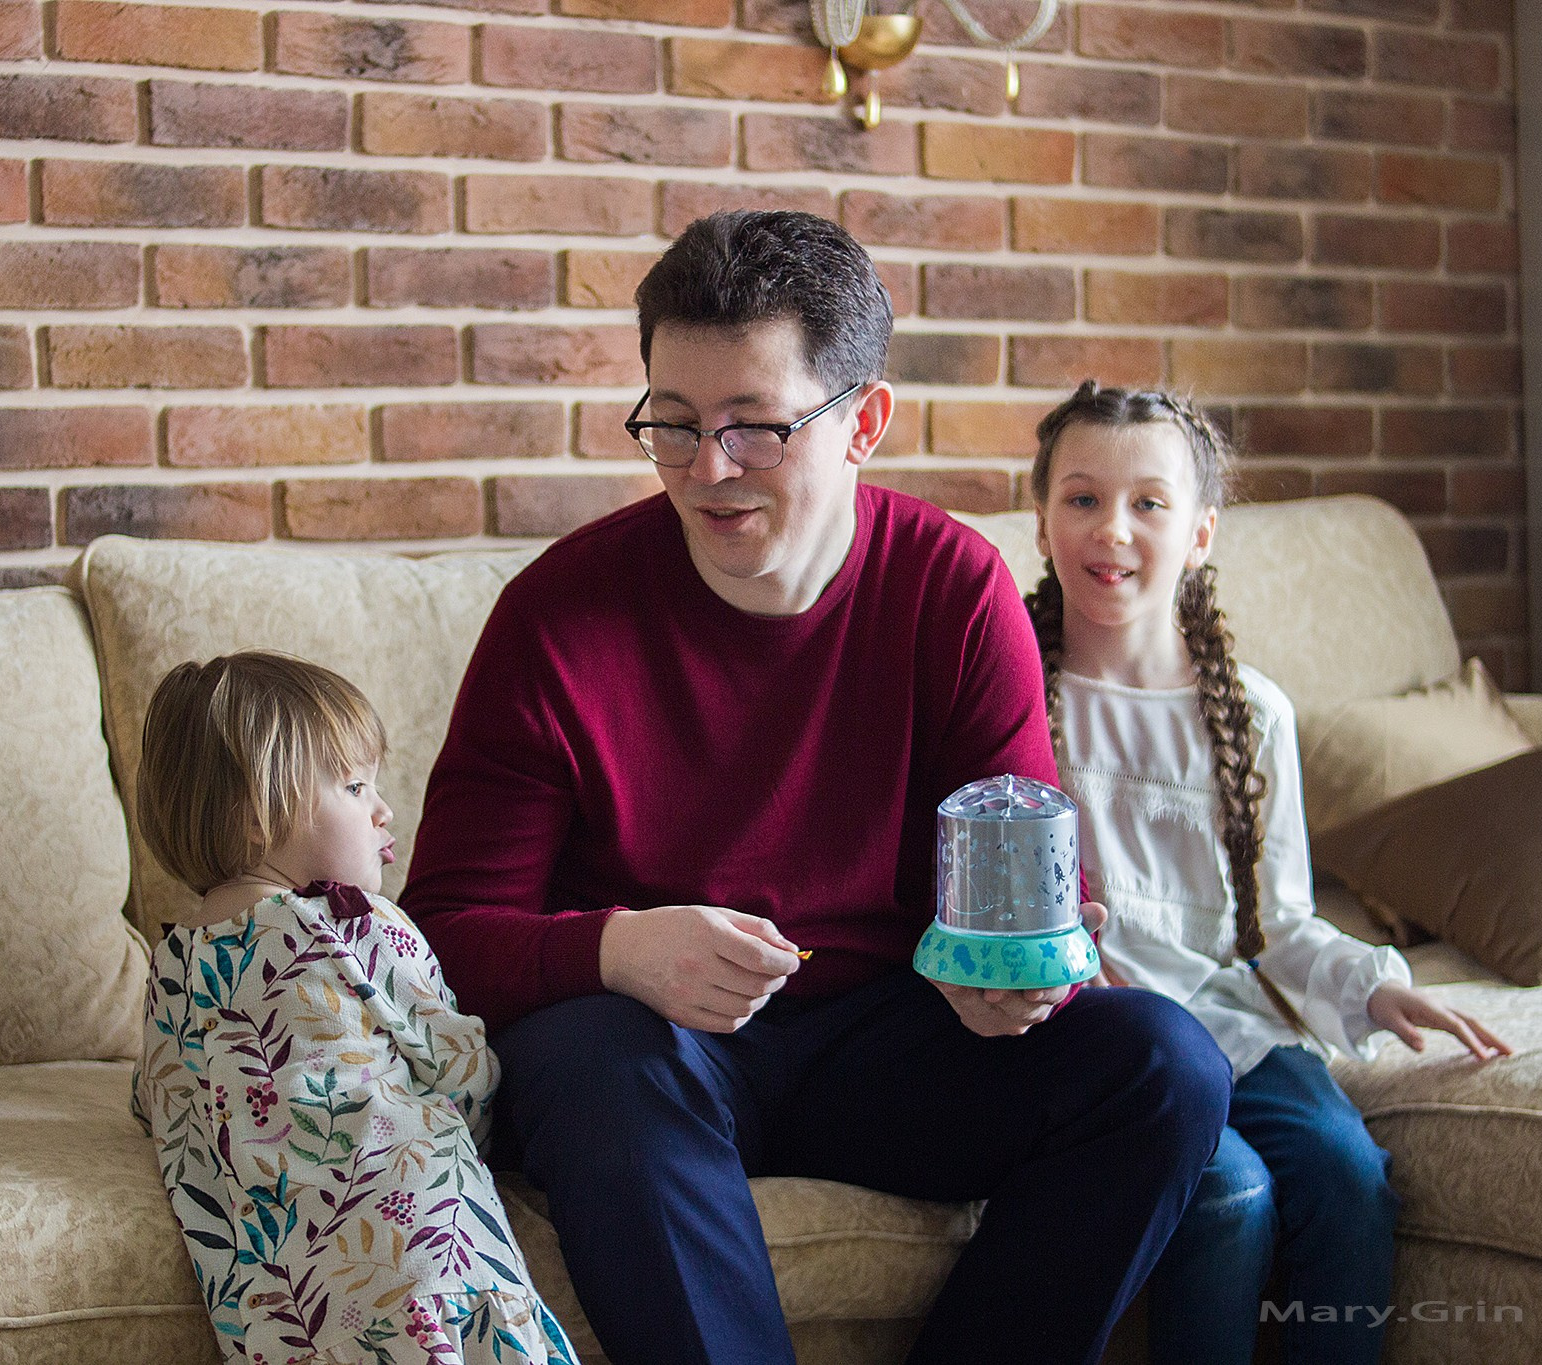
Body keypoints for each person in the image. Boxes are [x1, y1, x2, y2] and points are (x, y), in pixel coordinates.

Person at [400, 210, 1232, 1365]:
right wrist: (619, 949)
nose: (708, 472)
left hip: (891, 1041)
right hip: (654, 1049)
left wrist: (1011, 979)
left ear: (863, 424)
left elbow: (1022, 876)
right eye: (674, 427)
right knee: (594, 1062)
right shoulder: (558, 617)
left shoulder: (951, 589)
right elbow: (438, 931)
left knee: (1164, 1064)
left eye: (754, 429)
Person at [1022, 381, 1514, 1365]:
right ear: (1039, 522)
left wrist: (1373, 989)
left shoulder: (1251, 712)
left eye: (1147, 504)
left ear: (1199, 535)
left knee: (1345, 1176)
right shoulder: (1014, 695)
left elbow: (1277, 926)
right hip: (1108, 1035)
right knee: (1231, 1195)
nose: (1110, 528)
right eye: (1080, 499)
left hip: (1232, 1017)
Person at [129, 651, 579, 1365]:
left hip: (283, 1321)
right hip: (427, 1260)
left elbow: (161, 1108)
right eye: (355, 784)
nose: (383, 809)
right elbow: (459, 1066)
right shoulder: (356, 925)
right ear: (255, 816)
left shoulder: (172, 970)